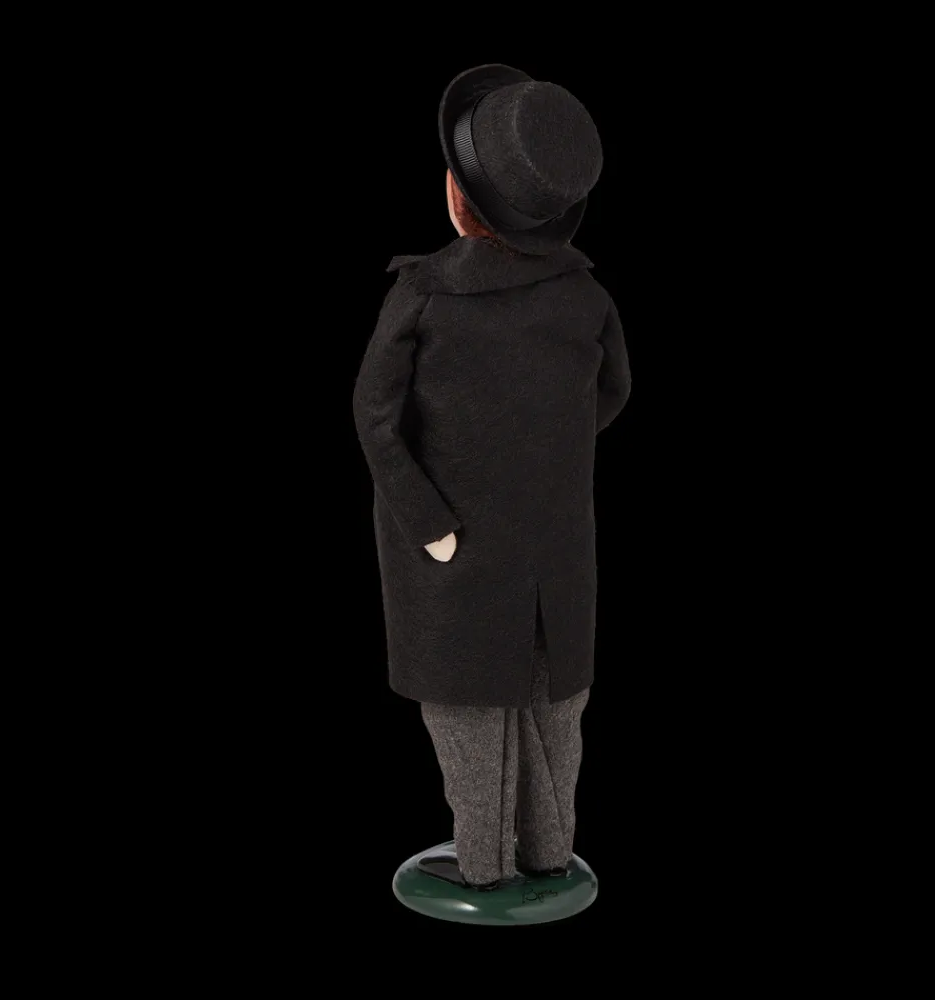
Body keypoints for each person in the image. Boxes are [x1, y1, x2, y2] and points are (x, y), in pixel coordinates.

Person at [353, 63, 631, 890]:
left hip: (457, 551)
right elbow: (611, 392)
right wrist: (540, 452)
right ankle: (546, 853)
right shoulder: (586, 297)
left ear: (455, 196)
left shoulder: (425, 297)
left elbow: (374, 416)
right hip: (556, 546)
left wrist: (429, 521)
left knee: (472, 713)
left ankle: (486, 867)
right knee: (553, 710)